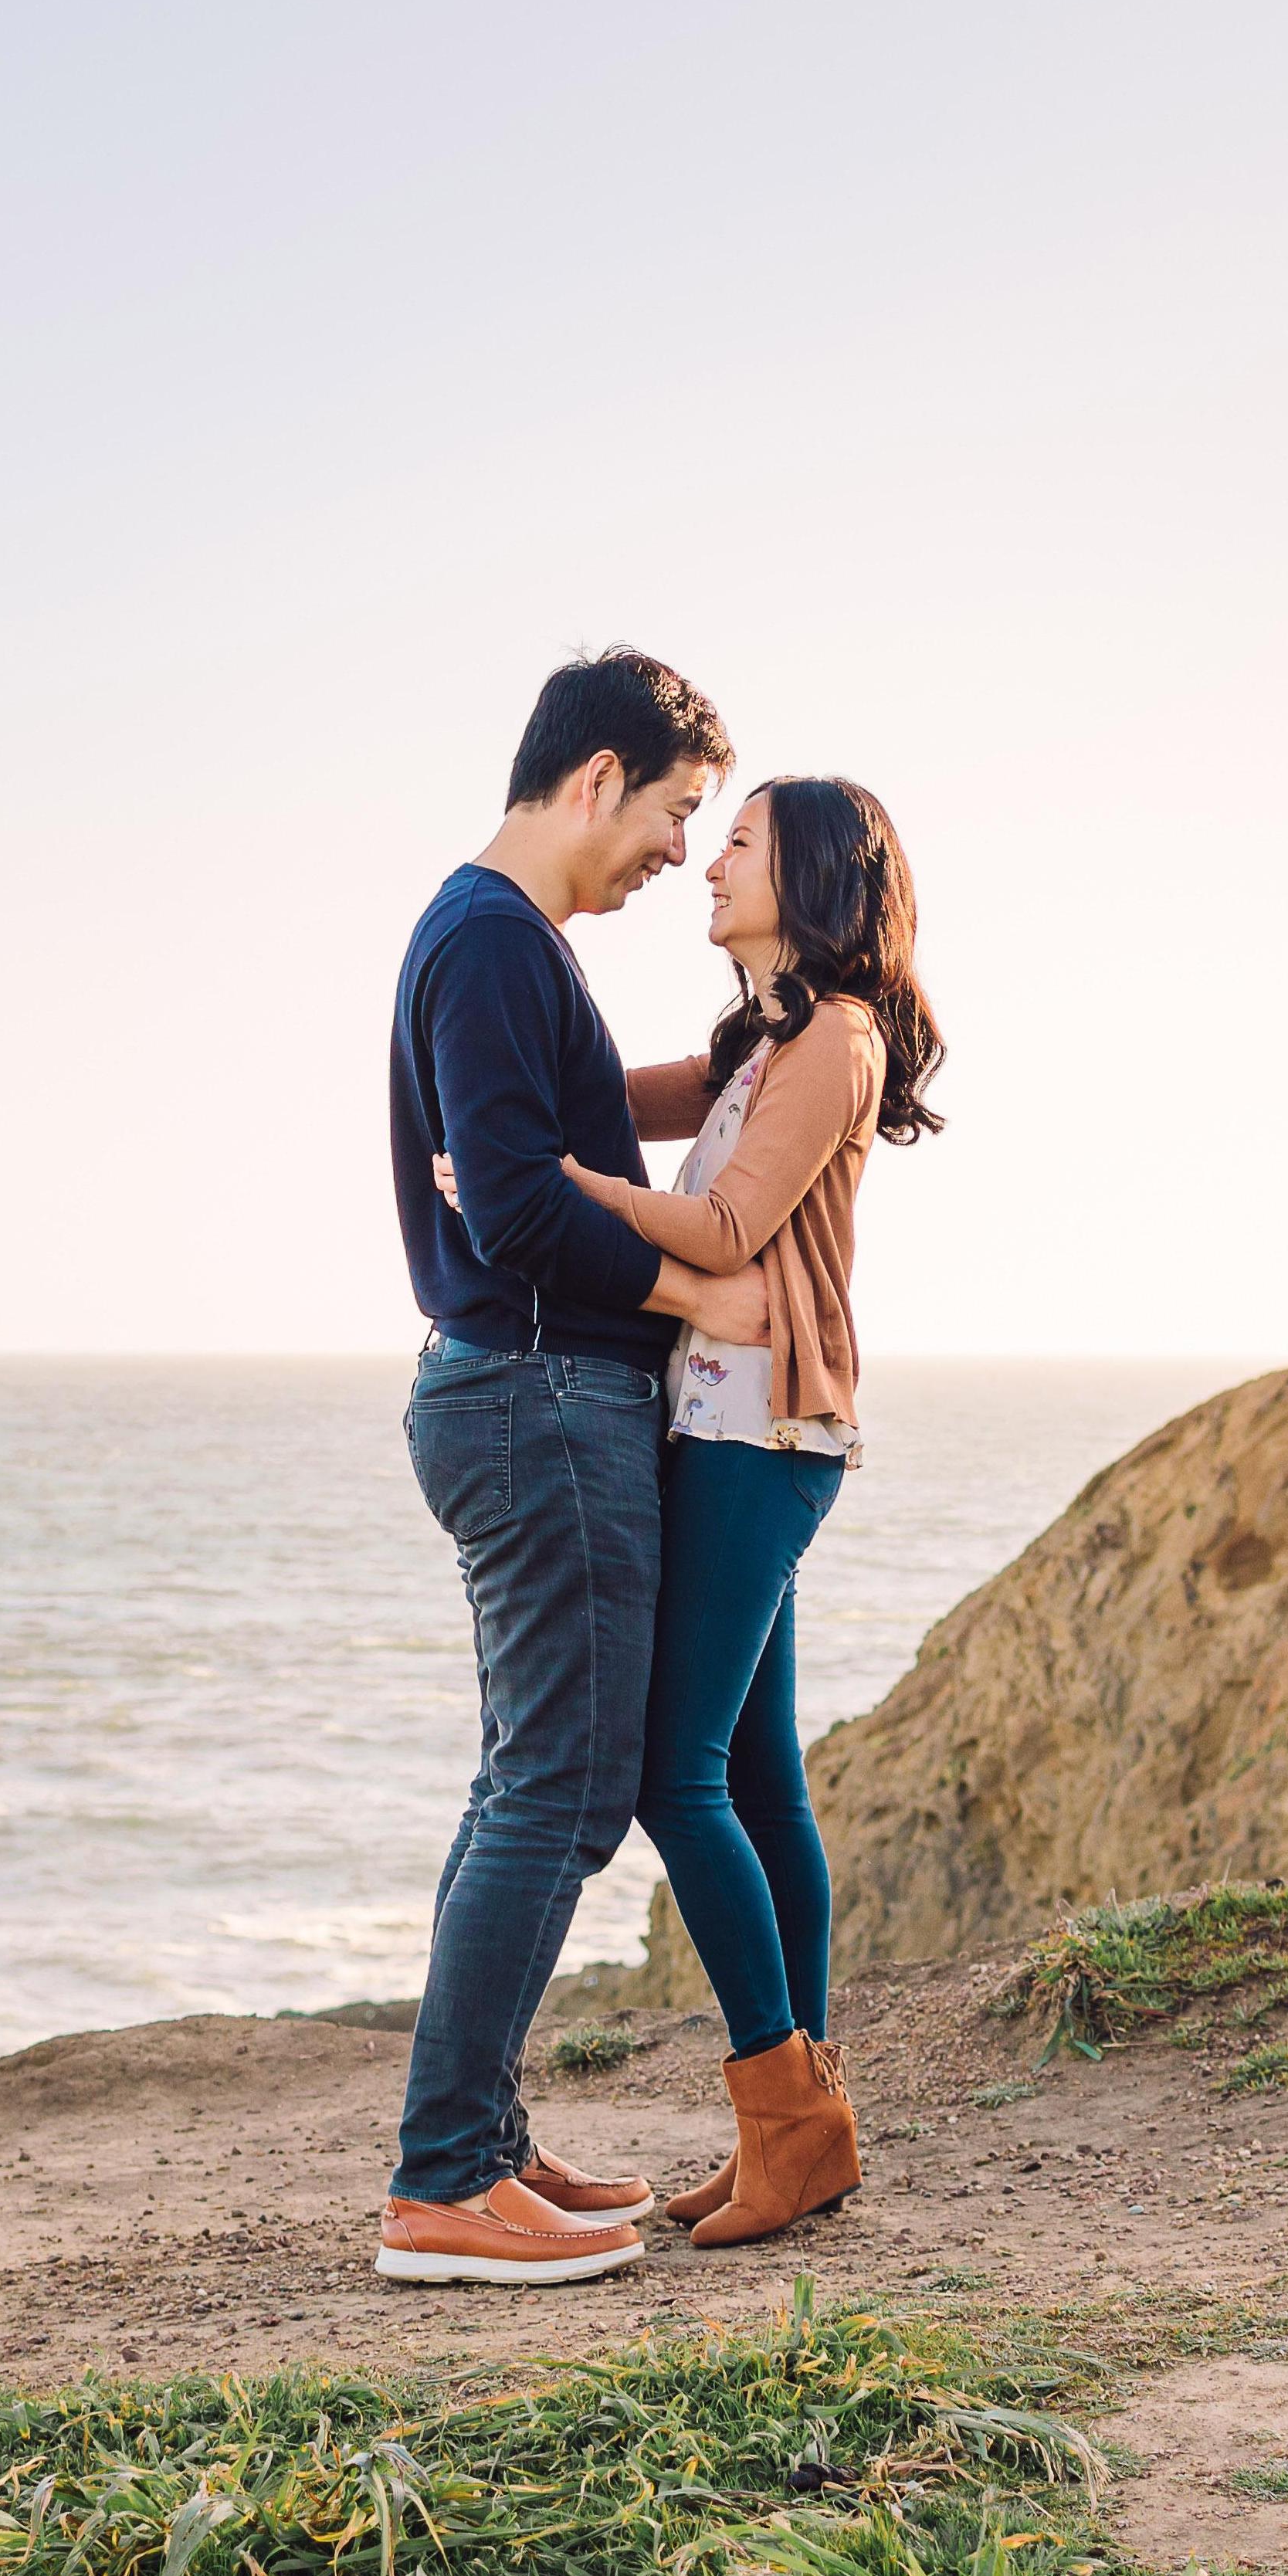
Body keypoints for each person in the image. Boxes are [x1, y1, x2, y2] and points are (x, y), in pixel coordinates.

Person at [376, 649, 772, 2288]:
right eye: (678, 811)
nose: (681, 851)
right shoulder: (487, 941)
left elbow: (549, 1151)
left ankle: (481, 2146)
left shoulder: (504, 944)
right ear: (597, 776)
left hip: (527, 1392)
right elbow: (520, 1208)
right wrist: (705, 1291)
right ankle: (443, 2183)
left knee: (530, 1781)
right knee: (560, 1785)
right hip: (538, 1396)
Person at [568, 778, 945, 2247]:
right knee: (761, 1780)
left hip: (760, 1428)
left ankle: (789, 2121)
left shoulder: (837, 1035)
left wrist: (562, 1191)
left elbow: (724, 1232)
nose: (708, 859)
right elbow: (610, 1093)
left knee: (679, 1779)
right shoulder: (766, 1039)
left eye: (738, 839)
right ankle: (807, 2127)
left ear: (816, 871)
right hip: (741, 1424)